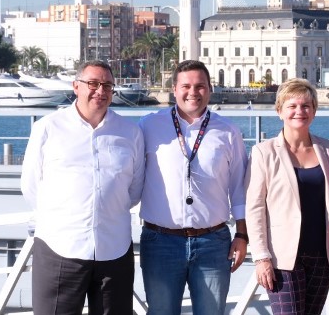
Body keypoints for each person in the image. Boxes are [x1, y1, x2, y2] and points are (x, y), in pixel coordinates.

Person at [21, 60, 145, 314]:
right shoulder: (47, 128)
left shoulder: (130, 133)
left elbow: (134, 189)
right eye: (93, 83)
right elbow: (31, 185)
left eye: (107, 85)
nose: (100, 90)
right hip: (59, 246)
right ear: (76, 86)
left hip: (114, 249)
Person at [138, 59, 248, 315]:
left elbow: (239, 188)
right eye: (186, 86)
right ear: (174, 89)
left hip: (213, 242)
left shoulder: (228, 131)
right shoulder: (148, 126)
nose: (193, 92)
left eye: (200, 86)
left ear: (210, 89)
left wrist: (242, 235)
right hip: (160, 241)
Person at [244, 78, 329, 315]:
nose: (300, 111)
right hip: (283, 259)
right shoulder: (263, 152)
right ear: (280, 111)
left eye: (306, 106)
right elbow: (254, 208)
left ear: (314, 111)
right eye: (292, 106)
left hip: (322, 256)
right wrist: (261, 258)